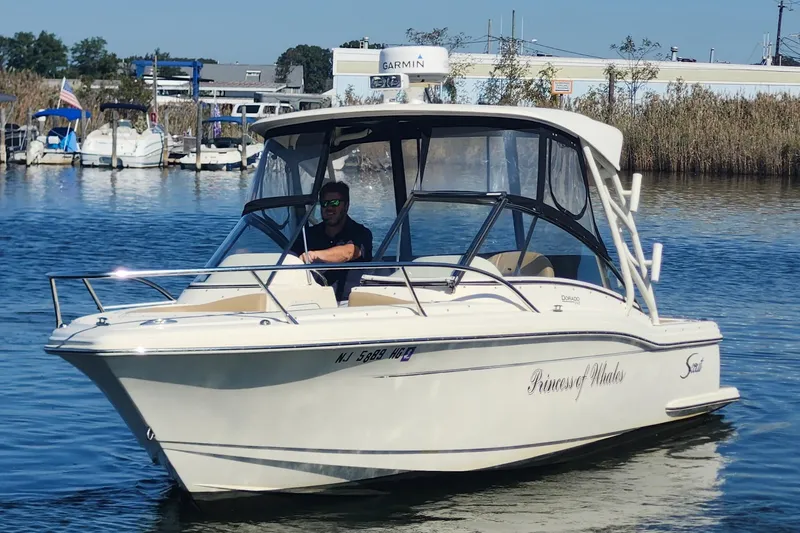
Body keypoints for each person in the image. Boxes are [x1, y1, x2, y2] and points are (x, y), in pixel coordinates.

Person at [291, 181, 373, 300]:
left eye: (334, 203)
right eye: (324, 203)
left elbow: (350, 252)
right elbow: (290, 258)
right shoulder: (307, 235)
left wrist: (315, 255)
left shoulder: (362, 233)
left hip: (351, 303)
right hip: (313, 301)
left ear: (346, 206)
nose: (329, 208)